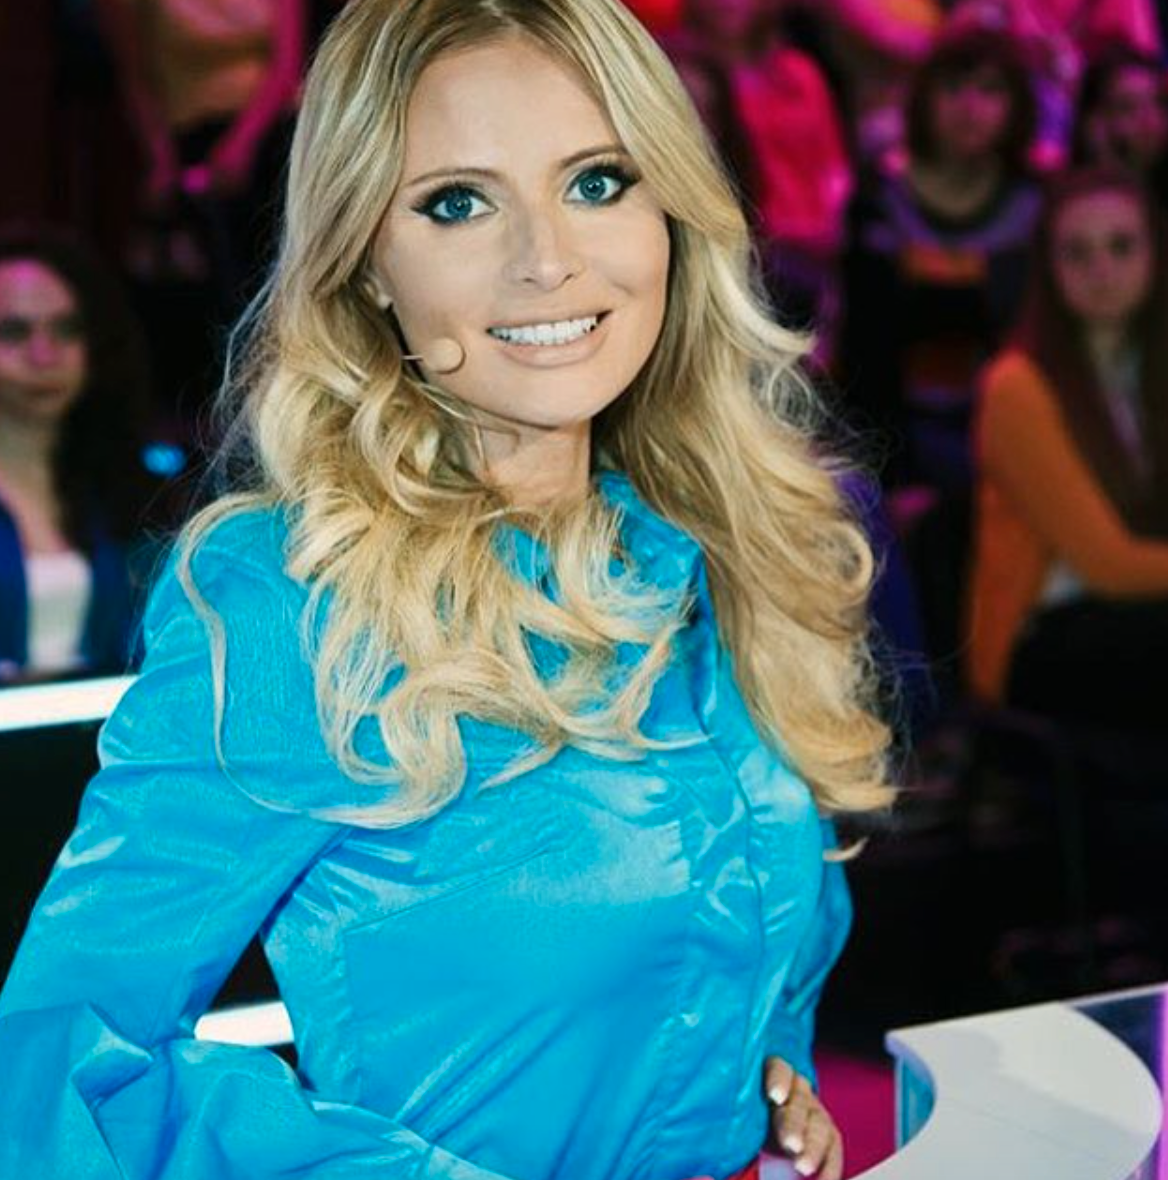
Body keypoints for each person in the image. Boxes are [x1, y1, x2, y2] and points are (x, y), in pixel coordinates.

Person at [0, 1, 894, 1177]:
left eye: (597, 182)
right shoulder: (294, 603)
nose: (547, 259)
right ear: (367, 262)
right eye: (457, 203)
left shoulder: (710, 539)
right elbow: (58, 1054)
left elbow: (740, 930)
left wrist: (761, 1070)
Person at [839, 25, 1040, 693]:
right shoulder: (881, 200)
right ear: (925, 98)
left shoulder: (1039, 205)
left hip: (1012, 439)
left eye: (991, 90)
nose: (970, 108)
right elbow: (865, 359)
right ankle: (936, 719)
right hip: (906, 439)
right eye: (953, 88)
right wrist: (894, 477)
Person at [968, 168, 1168, 729]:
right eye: (1076, 253)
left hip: (1136, 614)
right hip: (1042, 638)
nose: (1101, 270)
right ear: (1048, 268)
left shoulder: (1151, 369)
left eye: (1122, 246)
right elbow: (1107, 565)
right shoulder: (1016, 387)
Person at [0, 225, 160, 683]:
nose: (44, 355)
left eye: (66, 330)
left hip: (98, 725)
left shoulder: (124, 489)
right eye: (14, 331)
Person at [663, 0, 854, 349]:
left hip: (808, 254)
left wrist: (828, 235)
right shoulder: (676, 71)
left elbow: (833, 170)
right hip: (727, 241)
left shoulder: (799, 74)